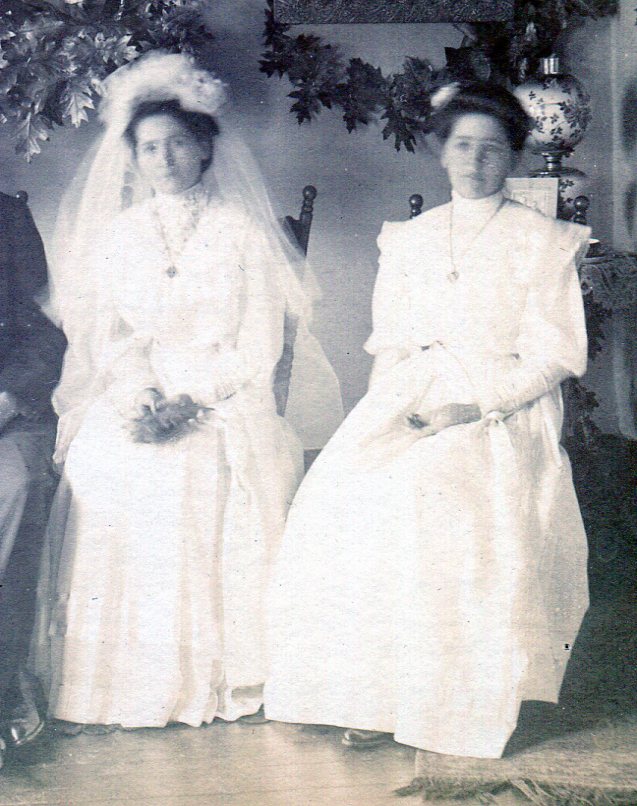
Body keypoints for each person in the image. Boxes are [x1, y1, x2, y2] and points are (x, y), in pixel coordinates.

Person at [265, 82, 591, 760]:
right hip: (413, 392)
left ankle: (447, 700)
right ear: (440, 153)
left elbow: (555, 354)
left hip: (503, 402)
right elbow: (391, 345)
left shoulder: (542, 242)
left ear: (513, 158)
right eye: (462, 146)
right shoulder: (408, 239)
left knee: (431, 491)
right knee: (341, 491)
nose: (475, 162)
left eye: (493, 150)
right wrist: (384, 421)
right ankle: (366, 696)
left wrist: (476, 407)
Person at [30, 52, 342, 731]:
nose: (164, 157)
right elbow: (109, 338)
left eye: (177, 143)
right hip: (141, 396)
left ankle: (208, 679)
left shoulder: (244, 234)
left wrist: (188, 400)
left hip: (224, 395)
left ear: (204, 147)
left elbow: (258, 346)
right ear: (134, 159)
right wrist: (138, 395)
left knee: (195, 473)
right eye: (149, 147)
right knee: (102, 466)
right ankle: (112, 686)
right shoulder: (121, 235)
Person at [0, 190, 66, 765]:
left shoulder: (7, 215)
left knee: (17, 490)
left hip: (6, 416)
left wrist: (10, 396)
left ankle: (5, 680)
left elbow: (44, 335)